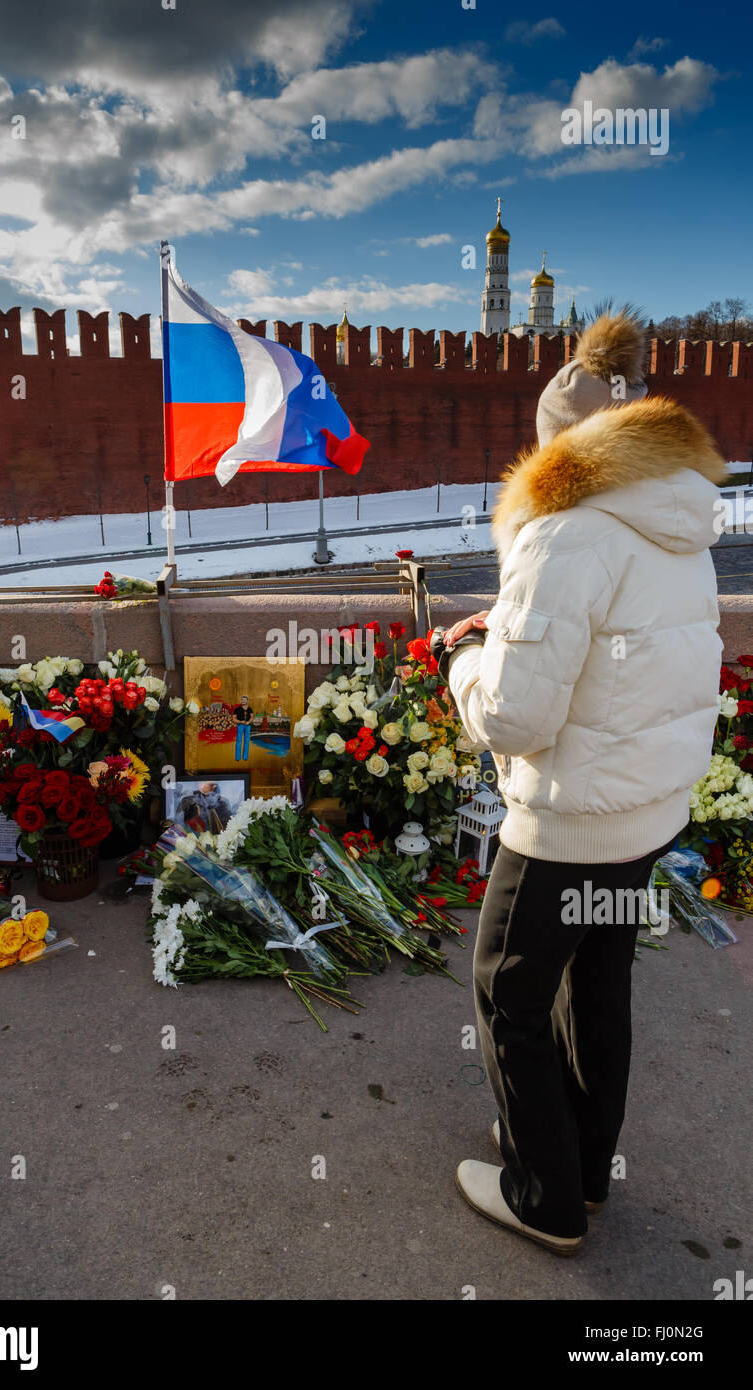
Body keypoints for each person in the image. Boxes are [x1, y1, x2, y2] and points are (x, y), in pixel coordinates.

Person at [432, 308, 726, 1256]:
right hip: (646, 813)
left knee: (508, 992)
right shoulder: (679, 524)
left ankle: (544, 1198)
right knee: (597, 984)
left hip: (568, 819)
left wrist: (463, 664)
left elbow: (515, 716)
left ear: (563, 450)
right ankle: (583, 1167)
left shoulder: (566, 534)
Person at [234, 695, 253, 762]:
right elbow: (234, 719)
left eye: (244, 700)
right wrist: (240, 721)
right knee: (239, 741)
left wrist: (248, 722)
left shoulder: (250, 709)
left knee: (247, 741)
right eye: (242, 700)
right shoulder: (237, 709)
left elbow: (252, 717)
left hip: (248, 726)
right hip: (240, 725)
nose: (243, 701)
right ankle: (237, 757)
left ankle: (245, 757)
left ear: (247, 701)